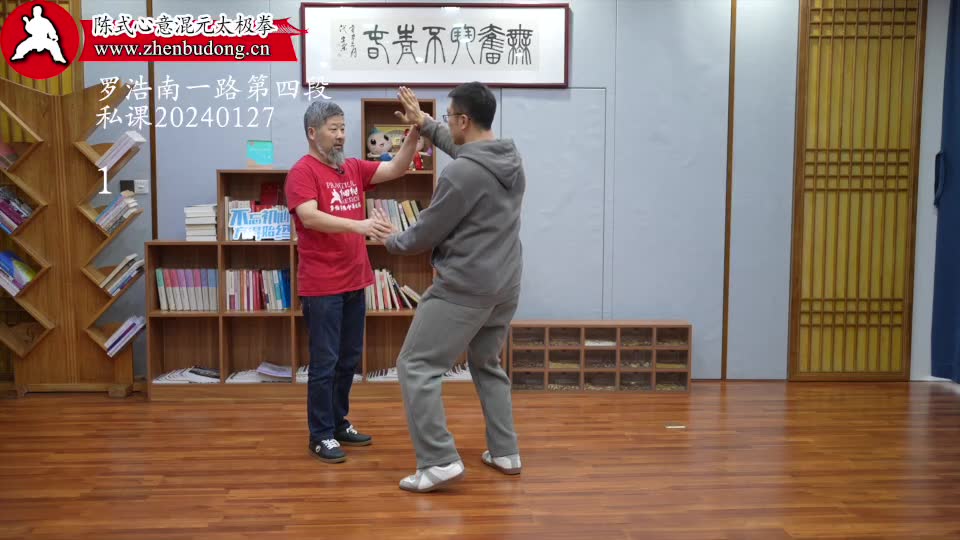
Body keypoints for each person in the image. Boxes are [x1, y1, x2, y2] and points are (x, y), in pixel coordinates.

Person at [384, 83, 526, 493]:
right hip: (505, 284)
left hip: (465, 287)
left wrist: (390, 239)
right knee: (486, 362)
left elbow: (426, 232)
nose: (448, 123)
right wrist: (426, 124)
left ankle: (439, 460)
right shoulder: (510, 158)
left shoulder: (460, 174)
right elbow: (464, 152)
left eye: (449, 117)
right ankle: (506, 451)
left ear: (464, 120)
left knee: (416, 365)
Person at [285, 100, 422, 464]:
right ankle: (320, 435)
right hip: (322, 285)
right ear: (312, 133)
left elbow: (396, 167)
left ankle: (337, 422)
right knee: (325, 362)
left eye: (343, 128)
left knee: (348, 359)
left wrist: (415, 132)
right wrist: (359, 226)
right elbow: (310, 217)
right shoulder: (302, 172)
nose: (341, 135)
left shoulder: (352, 168)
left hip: (354, 280)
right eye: (333, 129)